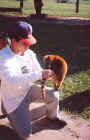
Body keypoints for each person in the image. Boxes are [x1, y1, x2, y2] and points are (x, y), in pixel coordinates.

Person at [0, 21, 65, 140]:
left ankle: (52, 118)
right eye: (25, 43)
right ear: (14, 41)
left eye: (29, 43)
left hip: (28, 91)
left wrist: (47, 74)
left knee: (54, 95)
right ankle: (9, 113)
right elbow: (11, 79)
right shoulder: (3, 57)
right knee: (25, 134)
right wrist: (39, 74)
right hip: (13, 101)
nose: (28, 46)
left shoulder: (29, 54)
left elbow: (38, 71)